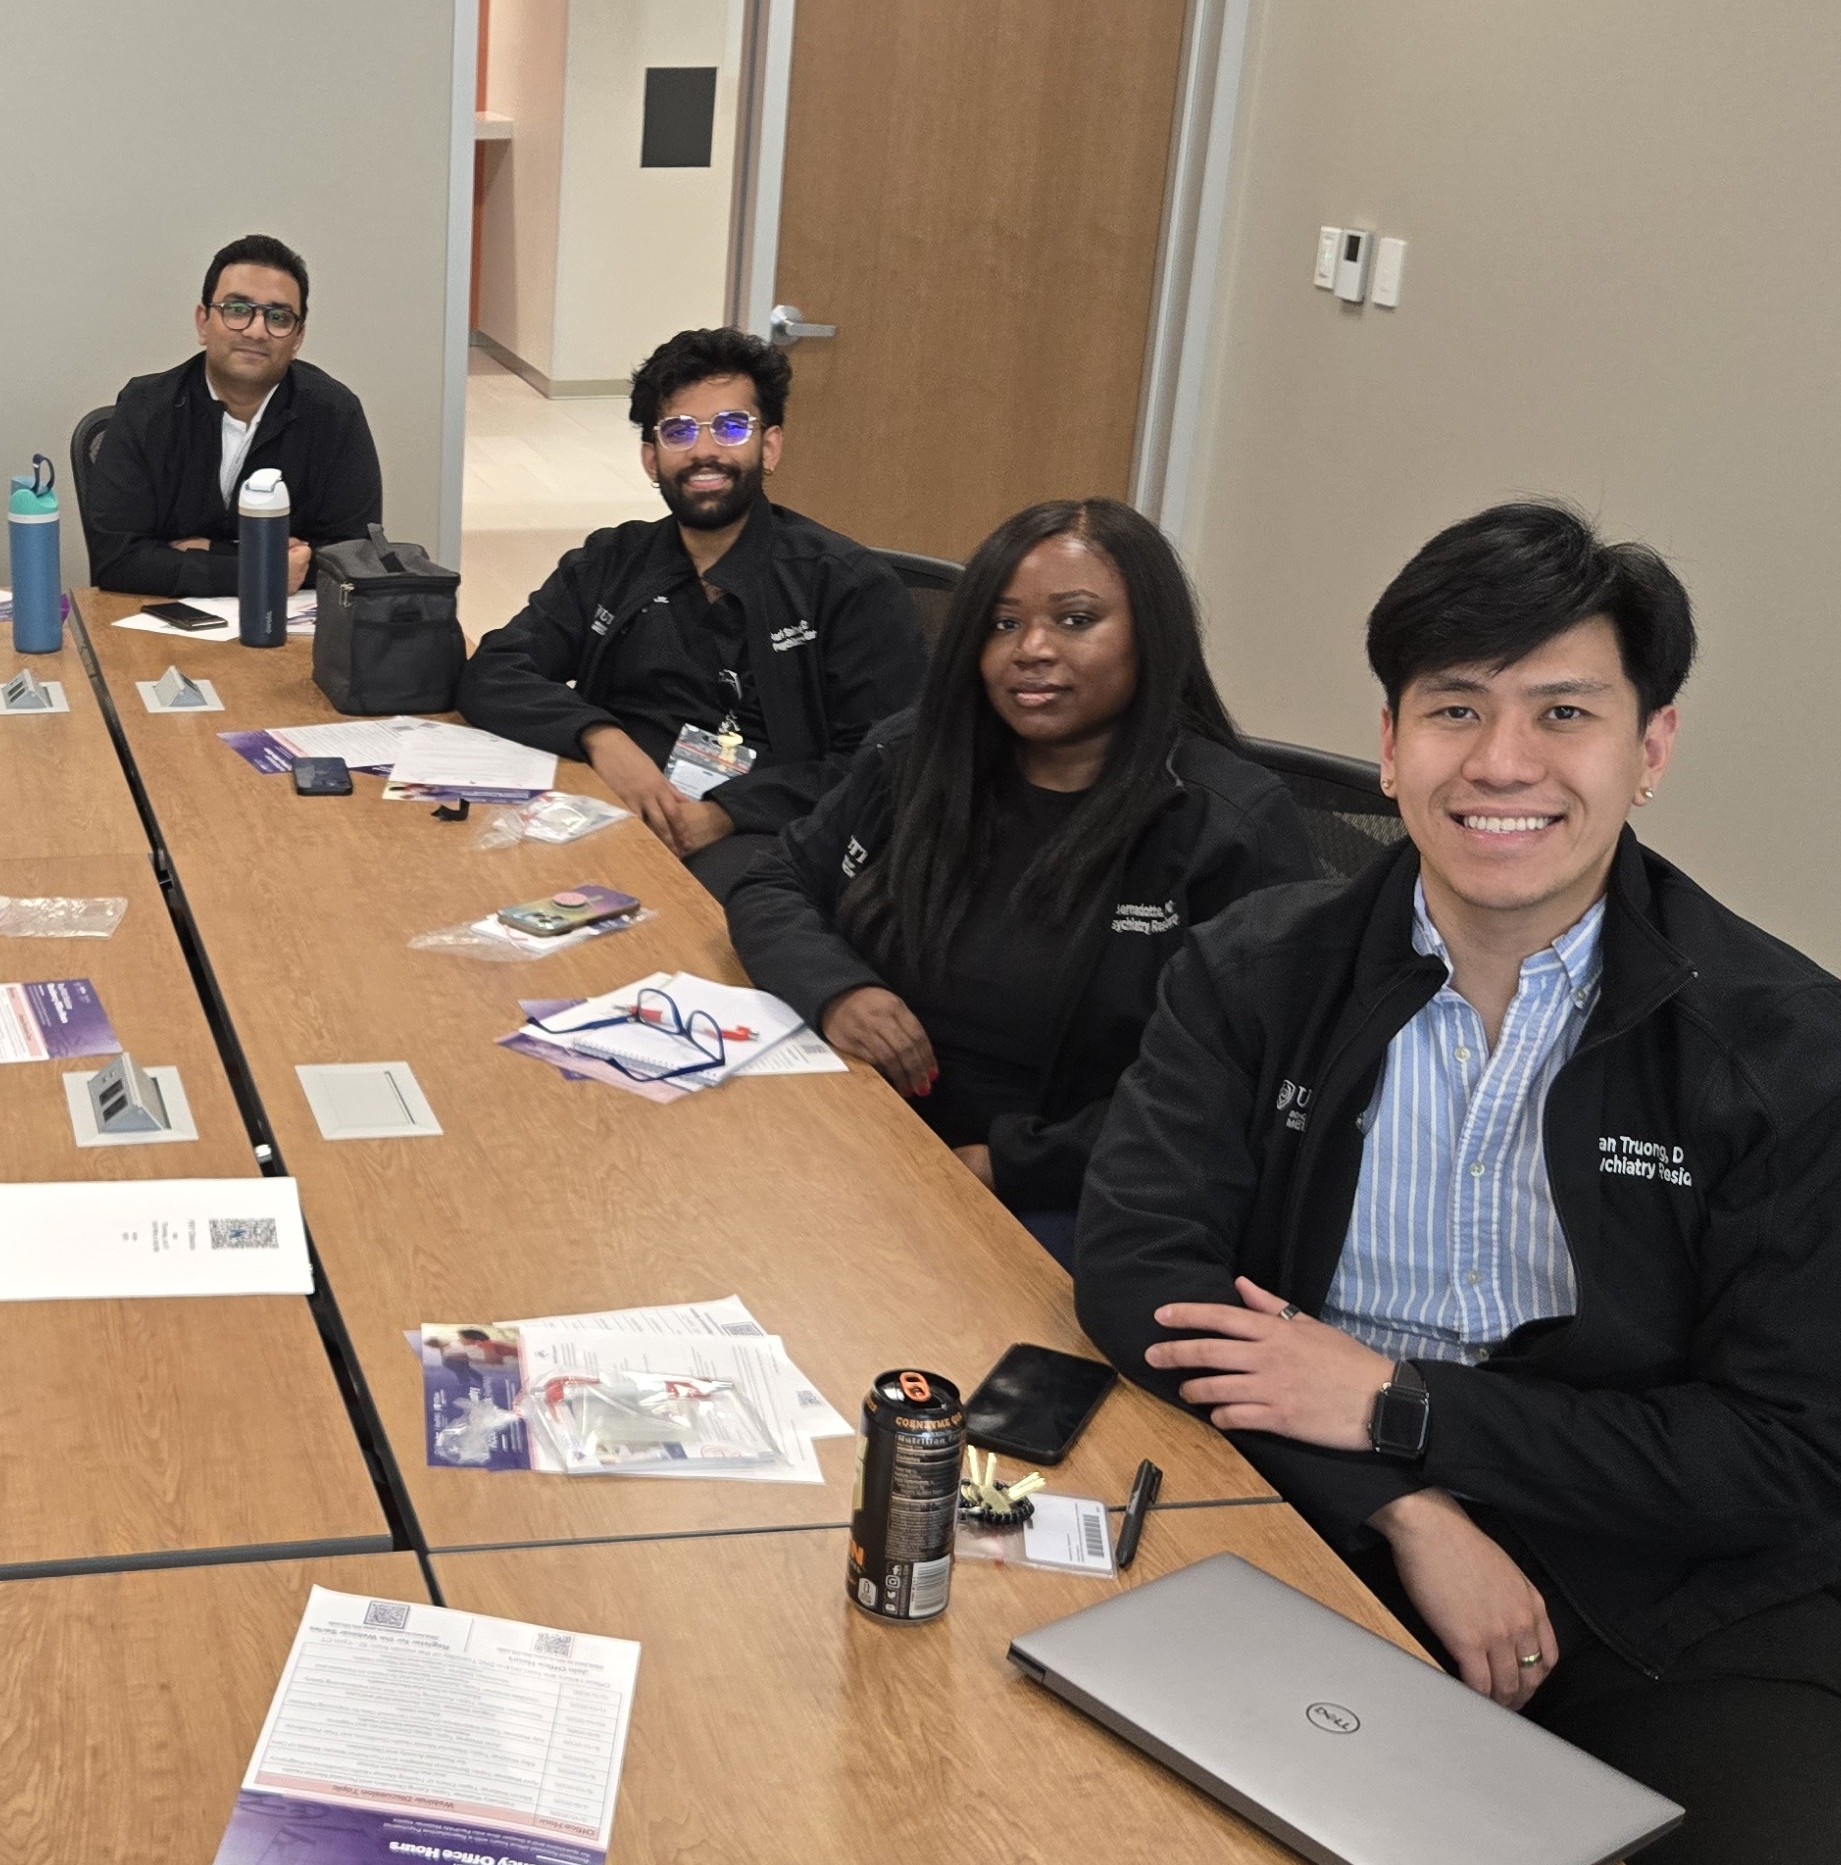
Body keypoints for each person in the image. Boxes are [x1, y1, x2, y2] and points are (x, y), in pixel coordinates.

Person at [1073, 503, 1841, 1865]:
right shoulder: (1260, 968)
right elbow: (1141, 1268)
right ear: (1390, 742)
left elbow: (1796, 1459)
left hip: (1676, 1587)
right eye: (1456, 708)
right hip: (1309, 1512)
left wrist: (1405, 1410)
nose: (1504, 762)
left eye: (1565, 714)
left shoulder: (1788, 1053)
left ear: (1650, 751)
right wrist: (1404, 1502)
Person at [724, 499, 1312, 1260]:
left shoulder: (1227, 827)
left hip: (1080, 1197)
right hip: (865, 1131)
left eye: (1075, 620)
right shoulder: (916, 757)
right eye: (1002, 623)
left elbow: (1234, 1087)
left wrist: (1009, 1164)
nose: (1030, 649)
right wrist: (838, 989)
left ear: (1151, 636)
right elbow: (774, 880)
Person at [459, 326, 926, 893]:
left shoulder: (845, 585)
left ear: (770, 446)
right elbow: (496, 669)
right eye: (679, 431)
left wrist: (726, 812)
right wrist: (601, 738)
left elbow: (883, 762)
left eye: (732, 427)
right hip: (613, 800)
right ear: (651, 459)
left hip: (768, 833)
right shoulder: (613, 559)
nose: (705, 451)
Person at [82, 234, 385, 598]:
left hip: (290, 638)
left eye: (278, 317)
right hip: (159, 630)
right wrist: (261, 569)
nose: (257, 331)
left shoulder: (335, 415)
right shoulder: (146, 408)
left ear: (298, 336)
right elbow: (116, 560)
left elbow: (355, 556)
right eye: (237, 310)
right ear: (203, 322)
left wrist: (211, 553)